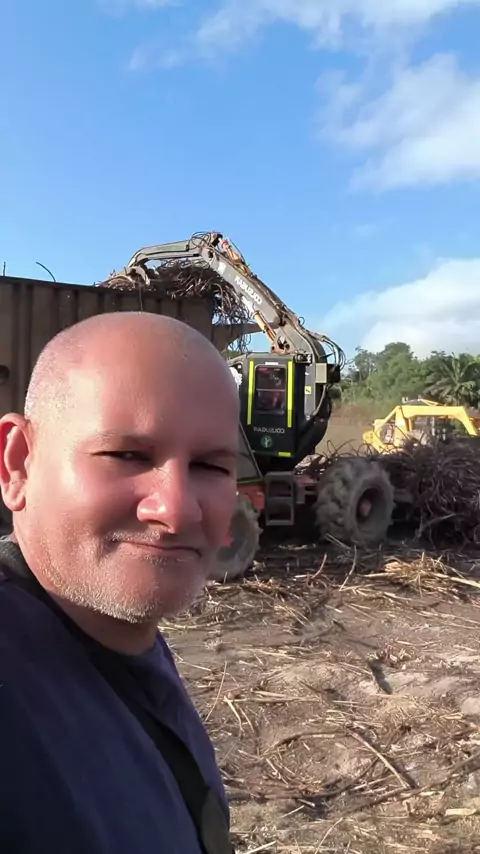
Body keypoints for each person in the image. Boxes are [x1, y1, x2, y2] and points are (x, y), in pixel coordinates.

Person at [0, 311, 240, 854]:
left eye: (210, 466)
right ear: (19, 465)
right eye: (126, 455)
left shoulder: (124, 641)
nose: (176, 510)